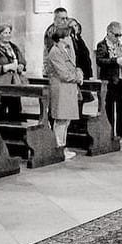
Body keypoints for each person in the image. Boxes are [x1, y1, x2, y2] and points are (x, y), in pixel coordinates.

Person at [45, 27, 82, 158]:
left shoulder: (65, 50)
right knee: (60, 120)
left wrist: (79, 73)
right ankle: (58, 148)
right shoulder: (55, 51)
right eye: (68, 36)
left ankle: (63, 147)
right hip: (61, 88)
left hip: (68, 88)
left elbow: (74, 66)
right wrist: (77, 77)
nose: (71, 38)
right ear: (61, 38)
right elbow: (63, 73)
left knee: (66, 120)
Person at [95, 22, 122, 140]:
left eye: (120, 35)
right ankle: (110, 131)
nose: (118, 37)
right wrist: (115, 61)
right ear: (109, 32)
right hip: (110, 80)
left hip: (121, 79)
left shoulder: (119, 44)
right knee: (109, 108)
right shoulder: (102, 45)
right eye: (116, 35)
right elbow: (100, 60)